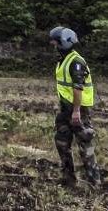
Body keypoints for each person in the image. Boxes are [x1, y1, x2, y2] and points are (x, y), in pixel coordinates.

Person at [50, 26, 101, 187]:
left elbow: (78, 88)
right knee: (62, 141)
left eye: (55, 42)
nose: (53, 45)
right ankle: (68, 178)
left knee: (85, 146)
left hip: (78, 110)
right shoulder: (63, 59)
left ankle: (95, 182)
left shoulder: (76, 62)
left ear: (63, 42)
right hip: (65, 109)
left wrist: (77, 111)